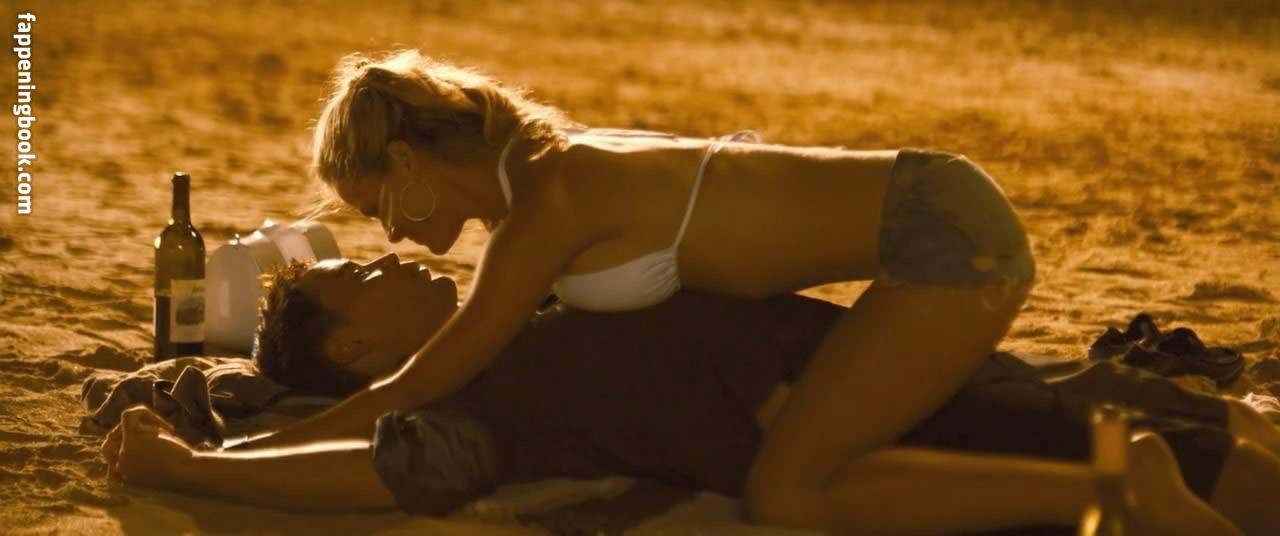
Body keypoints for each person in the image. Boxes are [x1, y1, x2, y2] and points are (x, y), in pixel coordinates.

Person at [105, 255, 1280, 534]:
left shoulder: (523, 303)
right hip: (875, 412)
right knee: (1214, 470)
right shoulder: (485, 395)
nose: (394, 257)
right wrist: (191, 467)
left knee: (1195, 432)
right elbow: (390, 467)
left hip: (884, 364)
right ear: (361, 348)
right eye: (364, 275)